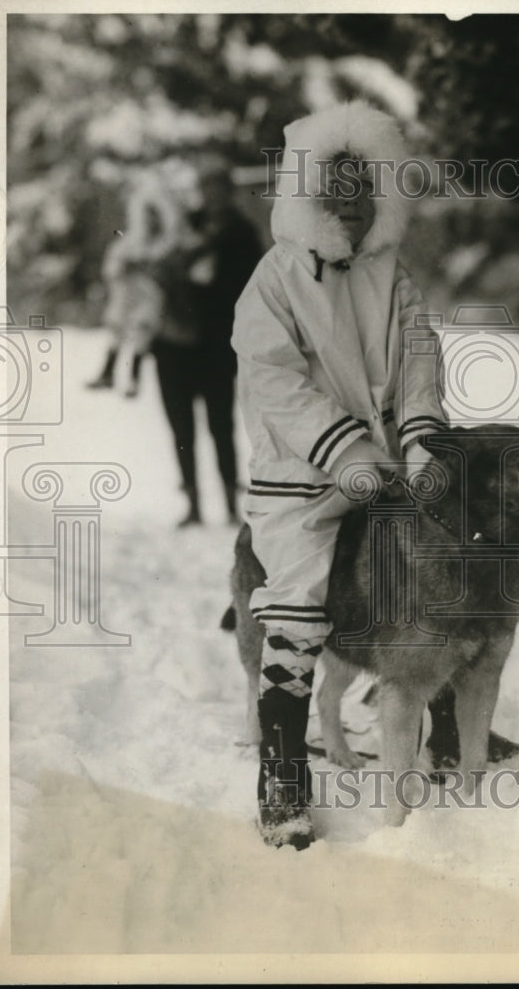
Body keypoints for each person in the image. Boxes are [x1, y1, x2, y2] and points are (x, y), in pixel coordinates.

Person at [232, 101, 446, 848]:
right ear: (307, 191)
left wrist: (419, 439)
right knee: (297, 607)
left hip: (388, 466)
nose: (351, 202)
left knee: (435, 577)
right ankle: (283, 777)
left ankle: (446, 733)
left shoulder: (393, 273)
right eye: (336, 186)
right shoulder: (274, 278)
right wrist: (346, 451)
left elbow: (419, 355)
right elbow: (273, 379)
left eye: (364, 186)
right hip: (303, 476)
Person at [151, 164, 263, 526]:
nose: (212, 195)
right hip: (174, 347)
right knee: (181, 427)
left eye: (219, 188)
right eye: (207, 187)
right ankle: (193, 503)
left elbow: (253, 290)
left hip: (217, 345)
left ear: (229, 192)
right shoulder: (181, 228)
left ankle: (230, 503)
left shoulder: (244, 234)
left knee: (221, 426)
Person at [87, 176, 180, 397]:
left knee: (141, 336)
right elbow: (111, 267)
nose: (151, 222)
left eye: (155, 217)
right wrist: (124, 270)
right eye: (147, 217)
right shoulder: (128, 243)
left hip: (150, 299)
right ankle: (108, 373)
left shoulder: (166, 246)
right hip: (126, 297)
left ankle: (133, 381)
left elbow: (168, 273)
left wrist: (148, 271)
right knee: (117, 333)